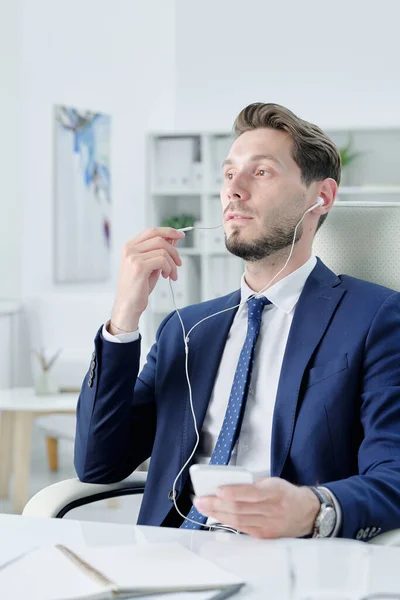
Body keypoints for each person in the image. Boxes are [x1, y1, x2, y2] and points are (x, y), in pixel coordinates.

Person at [75, 103, 400, 540]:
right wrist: (123, 318)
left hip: (292, 561)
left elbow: (393, 475)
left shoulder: (375, 317)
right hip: (171, 554)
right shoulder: (187, 328)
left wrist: (313, 507)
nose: (234, 190)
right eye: (229, 175)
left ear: (320, 197)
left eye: (260, 172)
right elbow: (99, 463)